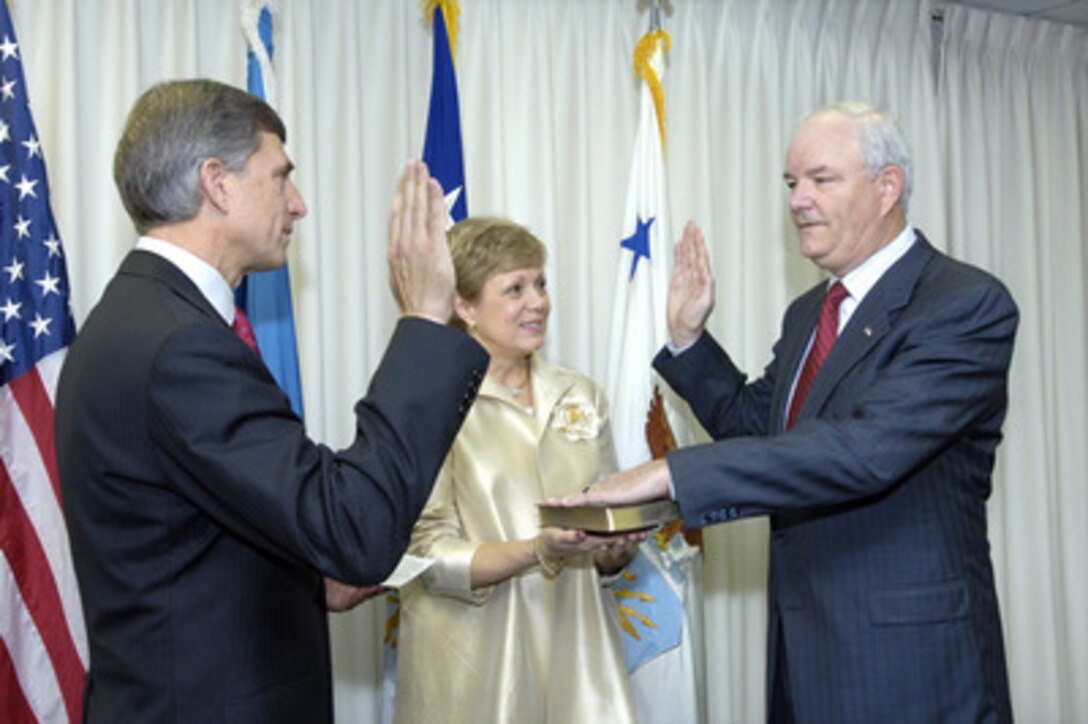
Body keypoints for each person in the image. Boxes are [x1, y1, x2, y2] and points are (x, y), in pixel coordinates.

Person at [560, 103, 1018, 722]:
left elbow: (864, 452)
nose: (798, 199)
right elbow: (762, 430)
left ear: (887, 188)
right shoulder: (810, 311)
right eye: (790, 183)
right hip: (805, 657)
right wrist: (691, 343)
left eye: (821, 180)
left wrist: (672, 474)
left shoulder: (962, 304)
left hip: (911, 666)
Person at [54, 79, 489, 723]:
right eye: (280, 176)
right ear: (217, 183)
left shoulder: (139, 318)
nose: (299, 204)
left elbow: (188, 540)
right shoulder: (179, 346)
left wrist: (311, 581)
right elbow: (356, 530)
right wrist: (425, 321)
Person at [392, 217, 640, 723]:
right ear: (464, 307)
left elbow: (608, 526)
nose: (539, 302)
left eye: (541, 283)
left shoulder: (582, 395)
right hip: (476, 668)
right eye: (515, 288)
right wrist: (538, 549)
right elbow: (423, 555)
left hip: (577, 654)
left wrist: (615, 553)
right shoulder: (429, 403)